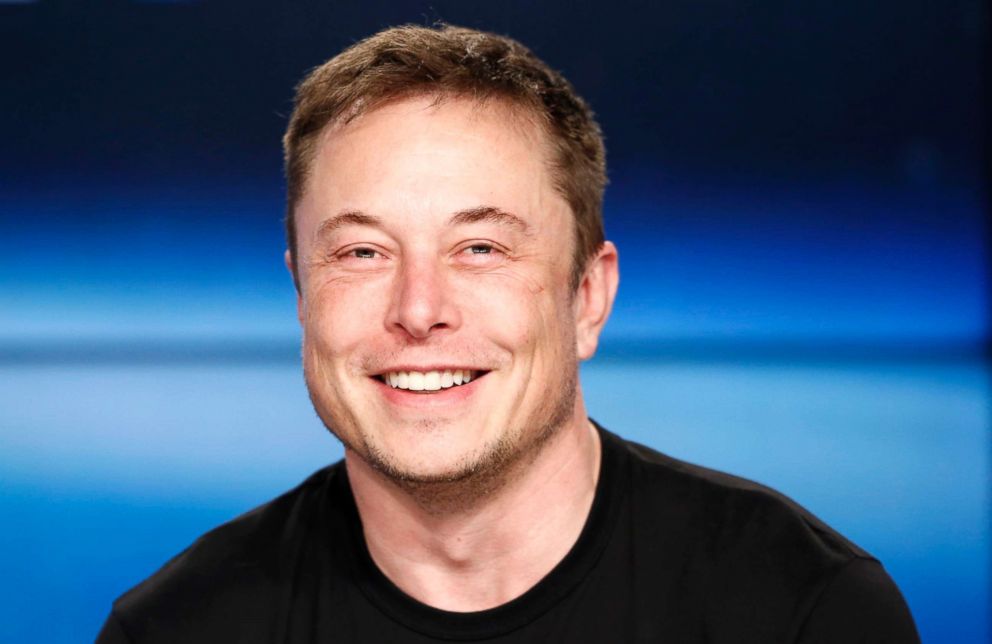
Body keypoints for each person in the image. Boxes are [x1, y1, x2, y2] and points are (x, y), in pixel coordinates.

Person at [96, 24, 920, 643]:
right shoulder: (176, 629)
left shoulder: (803, 612)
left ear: (588, 298)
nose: (419, 310)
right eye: (361, 251)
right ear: (302, 296)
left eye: (480, 248)